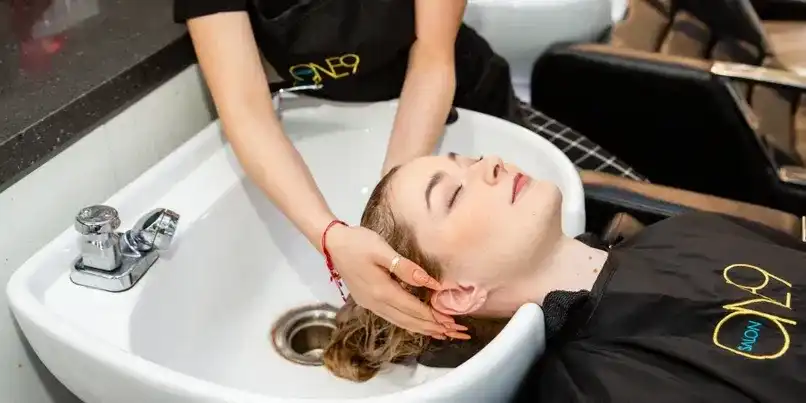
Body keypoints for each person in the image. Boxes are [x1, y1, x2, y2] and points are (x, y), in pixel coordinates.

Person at [173, 0, 645, 341]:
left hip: (461, 114)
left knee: (633, 205)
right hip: (340, 123)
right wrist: (332, 236)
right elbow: (245, 110)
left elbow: (433, 58)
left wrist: (396, 223)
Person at [323, 153, 806, 402]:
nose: (490, 162)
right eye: (452, 196)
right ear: (459, 292)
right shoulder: (598, 390)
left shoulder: (682, 231)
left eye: (467, 161)